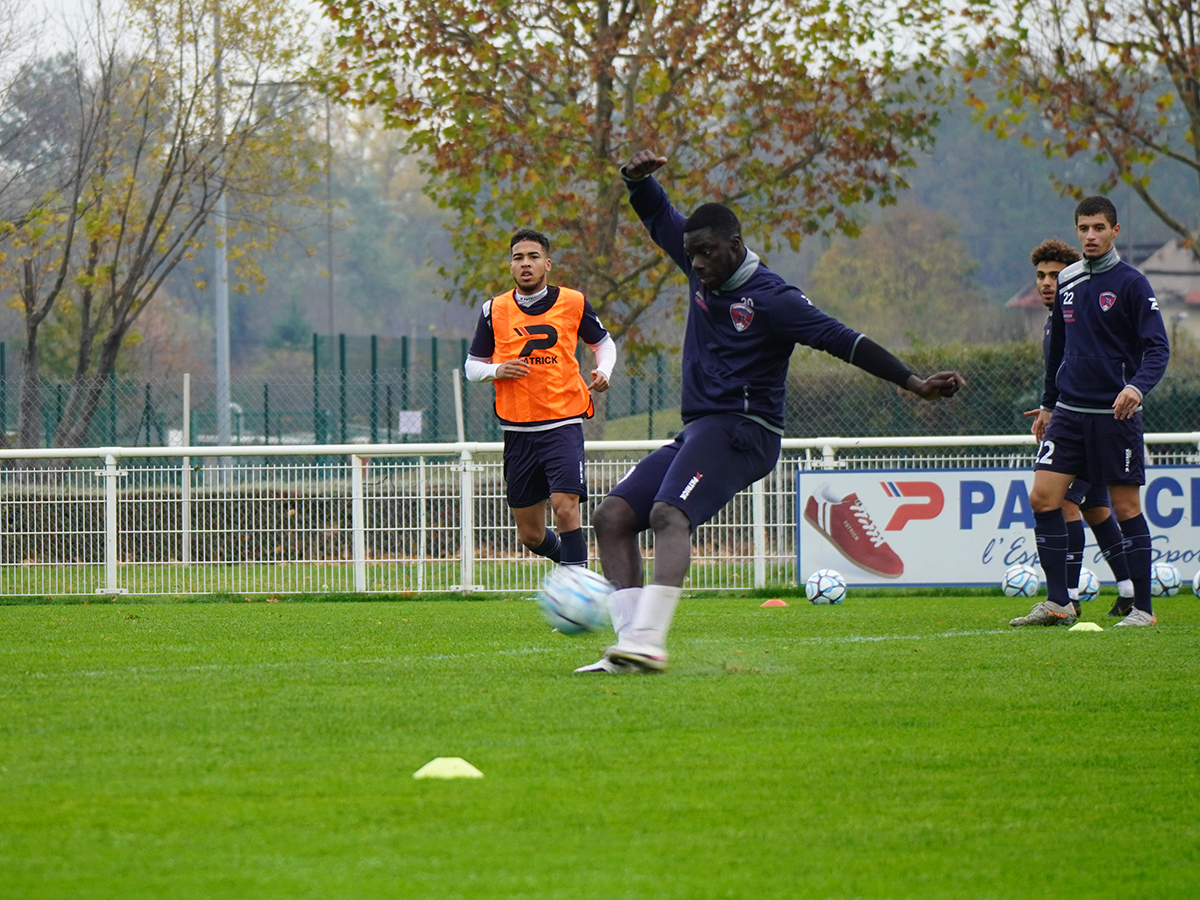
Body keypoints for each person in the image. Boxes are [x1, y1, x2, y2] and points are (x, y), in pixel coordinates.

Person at [577, 149, 963, 674]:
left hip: (745, 431)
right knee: (612, 516)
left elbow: (840, 338)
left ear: (735, 246)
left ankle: (649, 638)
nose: (697, 263)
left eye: (708, 253)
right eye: (692, 255)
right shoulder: (700, 266)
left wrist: (913, 382)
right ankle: (629, 649)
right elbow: (659, 217)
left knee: (670, 513)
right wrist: (636, 181)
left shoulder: (773, 297)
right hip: (702, 431)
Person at [1012, 197, 1169, 628]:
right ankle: (1059, 601)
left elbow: (1158, 348)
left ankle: (1142, 610)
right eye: (1084, 228)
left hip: (1114, 417)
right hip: (1067, 413)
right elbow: (1057, 351)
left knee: (1123, 508)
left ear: (1114, 231)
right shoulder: (1068, 279)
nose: (1091, 235)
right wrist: (1047, 406)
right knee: (1043, 498)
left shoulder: (1133, 283)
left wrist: (1136, 387)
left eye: (1099, 227)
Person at [464, 228, 616, 568]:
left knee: (566, 506)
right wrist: (496, 370)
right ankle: (576, 567)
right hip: (518, 432)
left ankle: (577, 583)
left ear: (547, 264)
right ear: (511, 267)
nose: (525, 263)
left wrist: (604, 370)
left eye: (533, 257)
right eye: (518, 258)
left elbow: (604, 343)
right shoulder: (494, 310)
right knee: (531, 535)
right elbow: (472, 367)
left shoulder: (573, 302)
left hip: (563, 422)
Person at [1023, 239, 1135, 616]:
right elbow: (1057, 371)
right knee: (1095, 509)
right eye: (1040, 276)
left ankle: (1066, 597)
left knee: (1067, 501)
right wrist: (1048, 407)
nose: (1046, 283)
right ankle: (1128, 589)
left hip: (1104, 424)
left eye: (1055, 275)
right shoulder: (1055, 321)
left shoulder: (1085, 312)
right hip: (1072, 419)